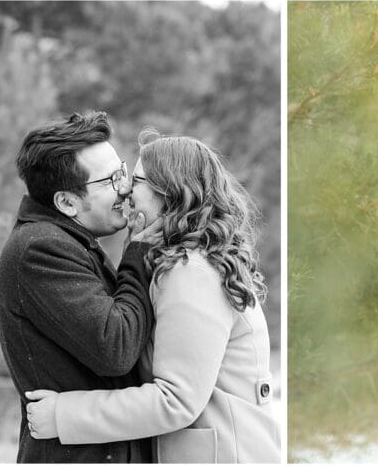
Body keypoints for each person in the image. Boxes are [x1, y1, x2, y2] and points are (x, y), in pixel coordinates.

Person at [24, 128, 282, 463]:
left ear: (170, 194)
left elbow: (176, 400)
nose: (127, 188)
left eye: (139, 180)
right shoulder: (184, 263)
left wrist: (64, 414)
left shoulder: (191, 272)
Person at [0, 111, 161, 463]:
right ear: (66, 203)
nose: (126, 187)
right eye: (110, 181)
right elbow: (115, 346)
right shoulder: (39, 250)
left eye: (123, 171)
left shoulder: (67, 239)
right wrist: (139, 249)